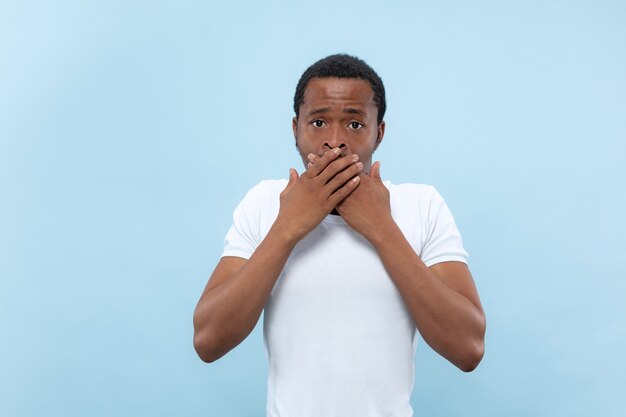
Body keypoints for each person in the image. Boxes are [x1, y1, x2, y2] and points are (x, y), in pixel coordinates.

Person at [193, 53, 486, 416]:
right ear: (295, 129)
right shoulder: (264, 203)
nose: (334, 141)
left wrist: (381, 227)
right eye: (318, 122)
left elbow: (468, 347)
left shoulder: (422, 204)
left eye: (354, 125)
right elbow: (208, 341)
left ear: (379, 132)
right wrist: (287, 227)